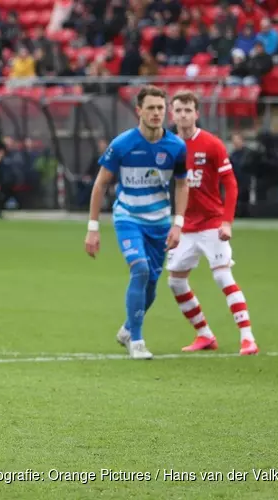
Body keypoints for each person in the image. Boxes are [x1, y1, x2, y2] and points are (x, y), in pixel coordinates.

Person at [84, 85, 189, 360]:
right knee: (140, 270)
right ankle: (138, 340)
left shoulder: (177, 147)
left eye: (160, 108)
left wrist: (178, 223)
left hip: (159, 223)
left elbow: (181, 184)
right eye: (151, 108)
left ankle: (128, 328)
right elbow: (100, 185)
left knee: (152, 284)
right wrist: (93, 228)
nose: (156, 113)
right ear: (139, 111)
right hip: (128, 217)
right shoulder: (122, 144)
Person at [167, 91, 258, 355]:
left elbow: (230, 184)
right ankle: (205, 335)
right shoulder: (169, 145)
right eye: (179, 110)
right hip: (185, 226)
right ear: (173, 114)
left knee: (221, 275)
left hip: (211, 223)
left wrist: (227, 222)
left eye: (188, 110)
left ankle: (247, 338)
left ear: (197, 113)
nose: (183, 115)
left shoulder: (212, 144)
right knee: (175, 281)